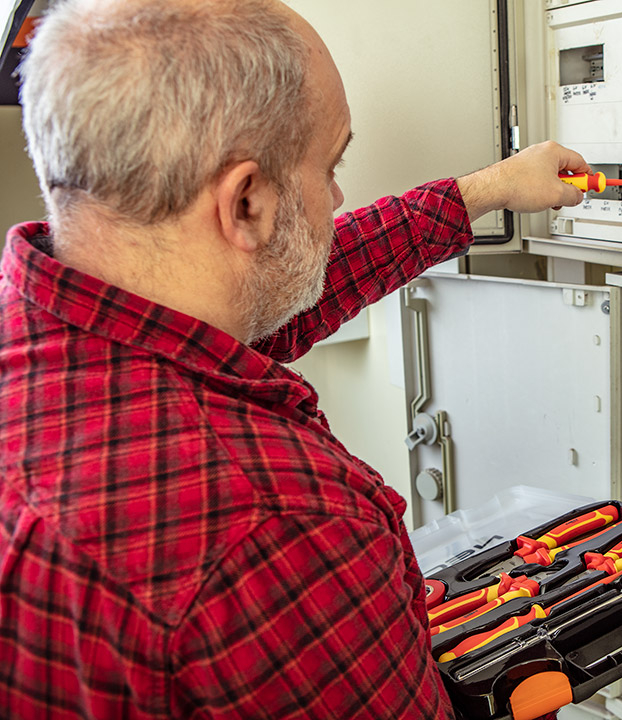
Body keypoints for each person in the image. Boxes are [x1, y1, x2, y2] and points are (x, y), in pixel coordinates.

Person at [0, 0, 588, 717]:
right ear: (246, 203)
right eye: (330, 165)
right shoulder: (278, 522)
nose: (336, 196)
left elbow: (275, 288)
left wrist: (485, 192)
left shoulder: (56, 329)